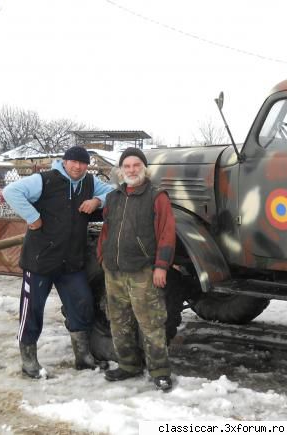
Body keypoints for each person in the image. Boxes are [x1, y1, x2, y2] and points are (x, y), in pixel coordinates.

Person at [3, 146, 114, 378]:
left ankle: (83, 358)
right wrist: (32, 218)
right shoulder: (45, 180)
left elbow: (116, 192)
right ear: (64, 162)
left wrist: (97, 200)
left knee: (82, 305)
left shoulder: (90, 183)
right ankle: (29, 361)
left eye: (82, 163)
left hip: (71, 262)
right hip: (40, 260)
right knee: (32, 310)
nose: (77, 167)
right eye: (73, 162)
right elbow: (11, 191)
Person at [97, 147, 176, 392]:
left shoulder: (156, 196)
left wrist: (161, 266)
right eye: (127, 166)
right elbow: (106, 231)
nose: (131, 170)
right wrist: (102, 257)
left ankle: (160, 370)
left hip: (143, 271)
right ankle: (128, 365)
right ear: (120, 171)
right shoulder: (113, 198)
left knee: (151, 323)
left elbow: (167, 233)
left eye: (136, 165)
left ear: (144, 168)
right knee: (119, 323)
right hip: (114, 272)